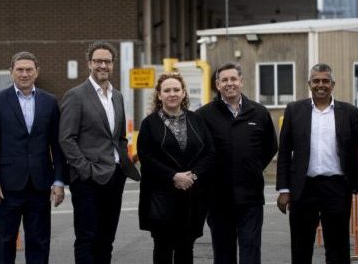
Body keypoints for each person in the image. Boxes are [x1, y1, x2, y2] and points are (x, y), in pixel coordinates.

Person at [59, 41, 141, 264]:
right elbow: (66, 138)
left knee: (107, 239)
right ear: (89, 64)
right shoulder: (75, 96)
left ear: (113, 65)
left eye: (107, 61)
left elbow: (120, 137)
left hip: (115, 176)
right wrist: (86, 170)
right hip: (88, 179)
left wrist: (122, 164)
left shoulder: (117, 96)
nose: (102, 65)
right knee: (87, 238)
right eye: (98, 61)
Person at [0, 51, 67, 264]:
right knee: (4, 242)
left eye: (29, 69)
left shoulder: (49, 102)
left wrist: (58, 181)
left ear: (37, 72)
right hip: (6, 187)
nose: (25, 74)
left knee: (39, 242)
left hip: (40, 185)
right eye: (20, 69)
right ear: (11, 72)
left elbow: (57, 145)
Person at [276, 63, 358, 264]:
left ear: (333, 84)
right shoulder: (294, 110)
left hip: (337, 187)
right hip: (303, 187)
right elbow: (284, 151)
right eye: (316, 81)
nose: (320, 85)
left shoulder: (349, 112)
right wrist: (284, 189)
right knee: (301, 247)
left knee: (338, 247)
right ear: (309, 84)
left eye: (325, 81)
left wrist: (354, 182)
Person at [196, 63, 278, 264]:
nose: (229, 83)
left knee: (251, 252)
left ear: (241, 81)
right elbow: (197, 152)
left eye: (233, 79)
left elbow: (270, 146)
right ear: (217, 84)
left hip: (251, 198)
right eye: (224, 80)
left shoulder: (259, 113)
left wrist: (252, 167)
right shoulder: (203, 115)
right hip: (217, 199)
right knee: (223, 254)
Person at [138, 72, 215, 264]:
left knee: (186, 248)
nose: (172, 94)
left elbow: (210, 153)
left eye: (176, 89)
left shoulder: (197, 120)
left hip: (191, 195)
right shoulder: (149, 124)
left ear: (183, 93)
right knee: (162, 248)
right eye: (167, 90)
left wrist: (193, 176)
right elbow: (146, 158)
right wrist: (174, 176)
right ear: (159, 95)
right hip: (161, 196)